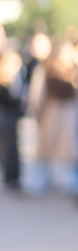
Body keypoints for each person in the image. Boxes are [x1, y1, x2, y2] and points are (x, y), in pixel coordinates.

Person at [30, 41, 78, 192]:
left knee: (66, 150)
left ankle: (65, 179)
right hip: (52, 113)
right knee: (48, 148)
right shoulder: (46, 70)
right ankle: (43, 178)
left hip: (67, 115)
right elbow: (37, 95)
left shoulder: (73, 73)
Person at [0, 41, 23, 192]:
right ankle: (11, 178)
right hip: (5, 119)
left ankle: (12, 178)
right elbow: (8, 101)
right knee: (8, 150)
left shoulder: (12, 80)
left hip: (8, 118)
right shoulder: (4, 81)